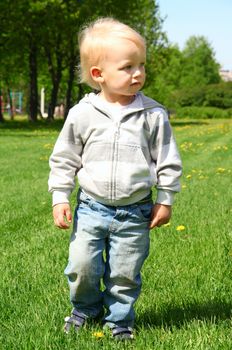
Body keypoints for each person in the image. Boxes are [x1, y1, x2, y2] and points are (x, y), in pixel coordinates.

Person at [48, 17, 182, 341]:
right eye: (127, 67)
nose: (138, 74)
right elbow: (64, 158)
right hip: (91, 208)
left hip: (134, 212)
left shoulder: (153, 115)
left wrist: (165, 199)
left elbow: (168, 161)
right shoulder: (82, 114)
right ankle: (85, 308)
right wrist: (59, 197)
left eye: (141, 65)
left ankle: (119, 320)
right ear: (99, 74)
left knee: (125, 273)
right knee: (81, 268)